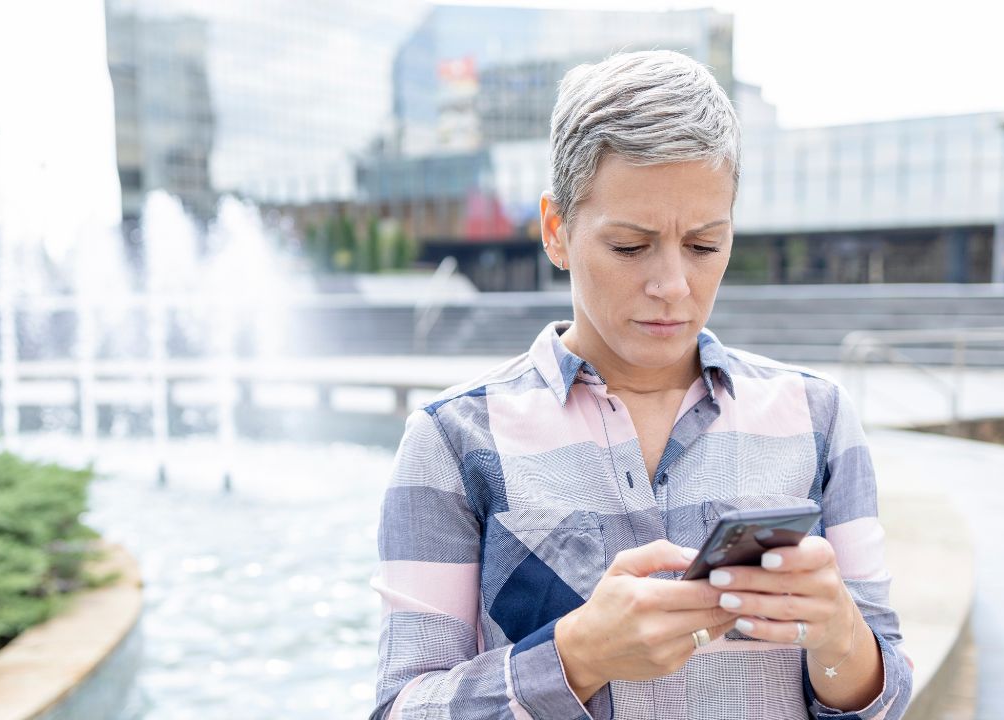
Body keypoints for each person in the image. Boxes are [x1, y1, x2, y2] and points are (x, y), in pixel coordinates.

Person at [370, 49, 913, 719]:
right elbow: (403, 706)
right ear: (556, 231)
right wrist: (576, 655)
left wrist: (839, 633)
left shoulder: (817, 418)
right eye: (630, 246)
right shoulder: (453, 441)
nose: (672, 287)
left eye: (705, 245)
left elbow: (885, 695)